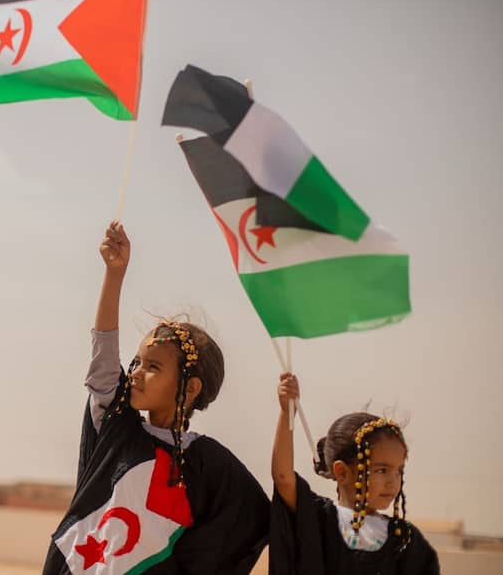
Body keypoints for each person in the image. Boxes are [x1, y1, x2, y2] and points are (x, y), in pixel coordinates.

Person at [43, 222, 269, 574]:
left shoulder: (209, 463)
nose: (134, 372)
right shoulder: (119, 428)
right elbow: (103, 355)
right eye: (136, 361)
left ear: (189, 388)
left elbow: (254, 518)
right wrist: (114, 275)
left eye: (152, 366)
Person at [269, 372, 439, 574]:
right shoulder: (319, 520)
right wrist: (286, 411)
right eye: (382, 470)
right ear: (342, 472)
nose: (393, 481)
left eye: (399, 471)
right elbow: (283, 478)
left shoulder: (407, 542)